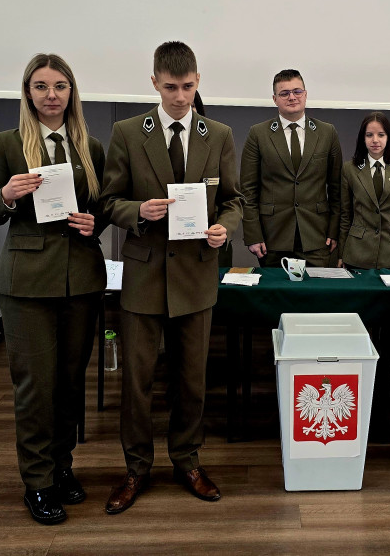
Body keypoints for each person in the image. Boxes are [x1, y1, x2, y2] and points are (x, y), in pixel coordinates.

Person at [100, 41, 243, 514]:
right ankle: (136, 468)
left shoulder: (217, 133)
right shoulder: (127, 131)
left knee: (191, 379)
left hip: (196, 274)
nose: (179, 97)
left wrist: (226, 228)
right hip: (143, 275)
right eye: (170, 87)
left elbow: (236, 201)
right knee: (137, 382)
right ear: (154, 83)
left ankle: (187, 460)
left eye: (187, 87)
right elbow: (107, 201)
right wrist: (137, 210)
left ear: (198, 81)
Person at [0, 53, 107, 525]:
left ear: (71, 93)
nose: (50, 95)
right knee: (35, 387)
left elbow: (105, 209)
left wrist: (95, 223)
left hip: (80, 279)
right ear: (27, 93)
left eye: (59, 86)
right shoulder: (7, 143)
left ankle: (62, 466)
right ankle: (37, 482)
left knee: (70, 386)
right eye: (40, 86)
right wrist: (9, 196)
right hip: (26, 283)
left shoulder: (91, 146)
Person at [241, 69, 342, 267]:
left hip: (317, 236)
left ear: (305, 94)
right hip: (272, 238)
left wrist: (334, 230)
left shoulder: (327, 132)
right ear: (274, 99)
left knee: (315, 296)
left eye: (297, 91)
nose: (292, 97)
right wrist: (253, 234)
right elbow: (248, 191)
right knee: (275, 296)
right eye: (284, 93)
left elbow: (337, 188)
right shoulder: (258, 134)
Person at [338, 112, 390, 269]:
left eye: (381, 134)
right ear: (362, 138)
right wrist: (341, 254)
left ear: (388, 137)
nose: (375, 140)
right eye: (369, 135)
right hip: (357, 254)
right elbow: (345, 215)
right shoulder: (349, 169)